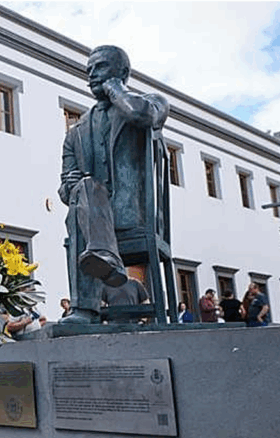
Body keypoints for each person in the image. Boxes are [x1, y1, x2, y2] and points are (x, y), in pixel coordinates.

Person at [58, 45, 168, 324]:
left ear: (123, 72)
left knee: (82, 198)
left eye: (101, 67)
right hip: (89, 214)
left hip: (133, 213)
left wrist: (116, 89)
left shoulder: (151, 101)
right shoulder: (77, 132)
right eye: (89, 70)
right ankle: (102, 257)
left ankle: (85, 305)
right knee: (83, 188)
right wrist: (73, 186)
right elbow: (64, 186)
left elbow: (141, 115)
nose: (92, 75)